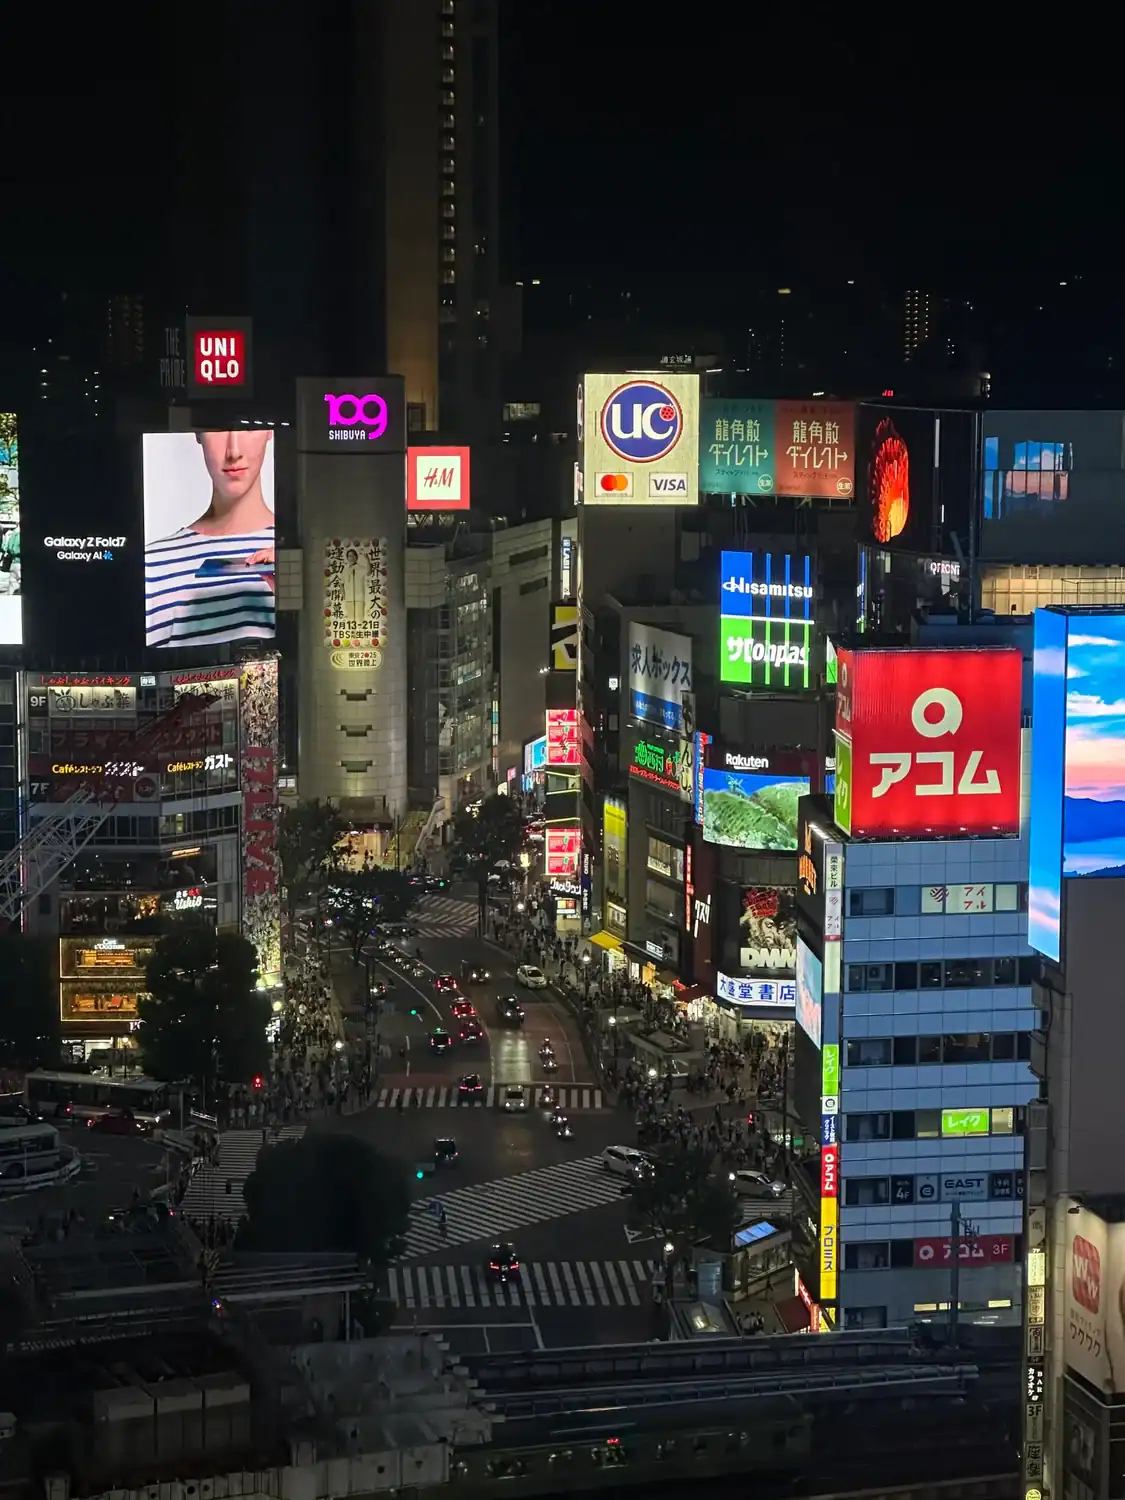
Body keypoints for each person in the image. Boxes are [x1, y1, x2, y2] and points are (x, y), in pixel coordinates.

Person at [145, 429, 275, 648]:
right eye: (217, 428)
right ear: (198, 433)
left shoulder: (308, 551)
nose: (234, 451)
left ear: (269, 431)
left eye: (248, 427)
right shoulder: (152, 566)